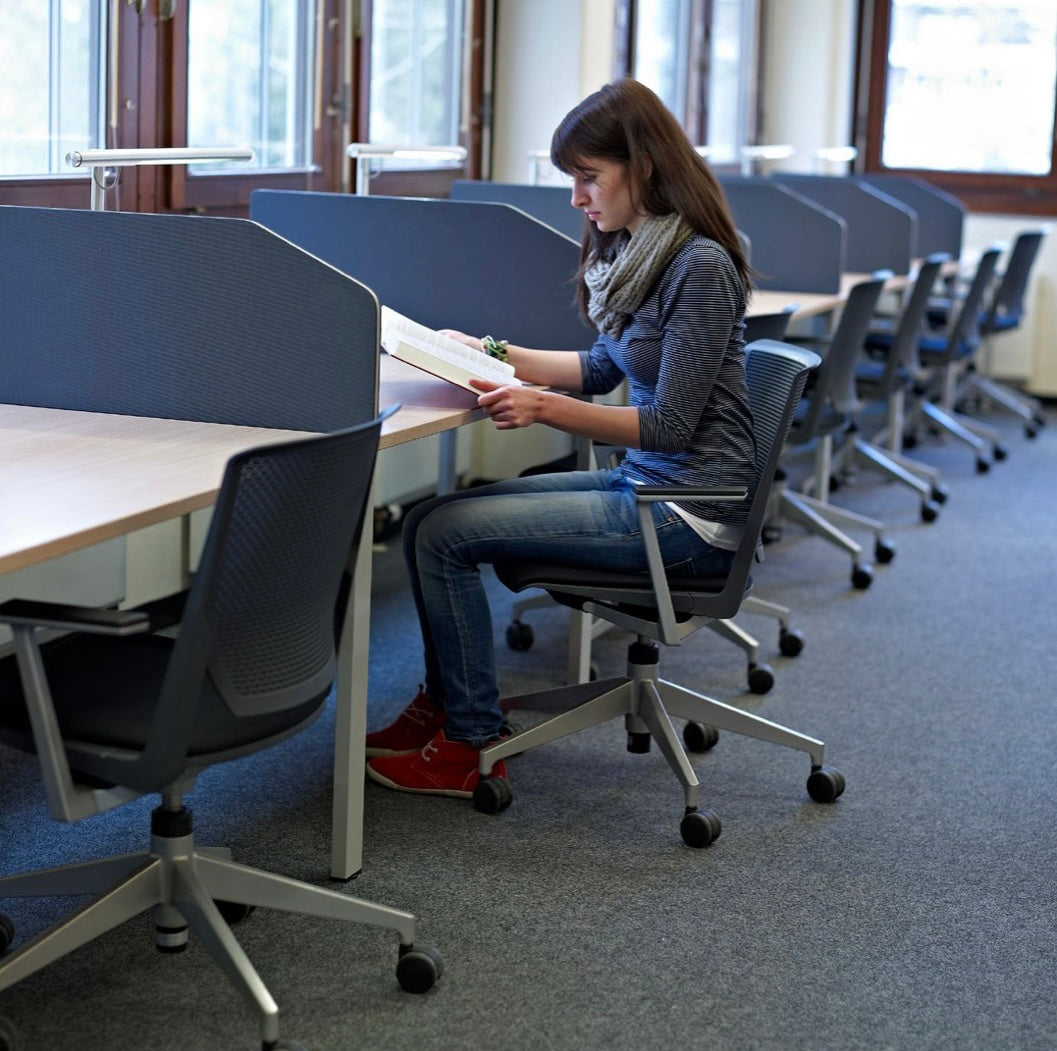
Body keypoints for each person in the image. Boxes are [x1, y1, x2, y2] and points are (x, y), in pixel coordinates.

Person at [365, 77, 756, 799]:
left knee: (438, 533)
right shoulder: (647, 252)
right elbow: (605, 365)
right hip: (647, 485)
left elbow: (669, 423)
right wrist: (484, 352)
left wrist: (540, 407)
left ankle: (468, 740)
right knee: (430, 521)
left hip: (685, 512)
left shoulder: (698, 266)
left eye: (587, 177)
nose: (576, 197)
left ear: (641, 166)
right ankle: (450, 703)